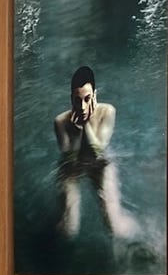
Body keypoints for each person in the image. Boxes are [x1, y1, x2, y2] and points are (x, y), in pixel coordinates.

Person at [53, 66, 137, 239]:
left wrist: (85, 125)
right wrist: (77, 131)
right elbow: (70, 156)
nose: (82, 106)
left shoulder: (107, 111)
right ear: (71, 99)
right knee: (70, 230)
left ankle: (140, 233)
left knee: (115, 228)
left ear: (95, 96)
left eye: (87, 99)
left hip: (100, 165)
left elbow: (98, 151)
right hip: (71, 169)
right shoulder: (61, 122)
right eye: (77, 100)